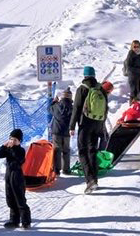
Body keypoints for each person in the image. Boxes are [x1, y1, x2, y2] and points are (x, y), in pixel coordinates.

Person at [69, 66, 108, 194]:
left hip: (85, 124)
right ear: (94, 75)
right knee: (92, 151)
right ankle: (95, 179)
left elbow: (77, 108)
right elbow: (105, 108)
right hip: (97, 123)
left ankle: (90, 180)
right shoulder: (100, 88)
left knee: (82, 151)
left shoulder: (82, 89)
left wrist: (72, 126)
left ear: (84, 75)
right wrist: (101, 125)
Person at [0, 129, 31, 229]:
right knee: (10, 199)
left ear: (20, 141)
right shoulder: (8, 148)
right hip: (8, 175)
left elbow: (19, 158)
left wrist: (13, 148)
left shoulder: (21, 150)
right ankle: (14, 220)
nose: (12, 141)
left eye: (15, 140)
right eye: (11, 139)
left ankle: (26, 221)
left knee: (19, 199)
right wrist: (4, 146)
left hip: (17, 176)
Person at [49, 88, 73, 175]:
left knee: (57, 150)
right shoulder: (72, 107)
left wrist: (54, 102)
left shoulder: (56, 106)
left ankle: (56, 169)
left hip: (56, 131)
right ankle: (66, 169)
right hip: (67, 132)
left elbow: (49, 109)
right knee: (66, 150)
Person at [99, 81, 114, 150]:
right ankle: (100, 154)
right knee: (105, 138)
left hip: (93, 121)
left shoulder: (97, 94)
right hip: (99, 121)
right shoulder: (102, 97)